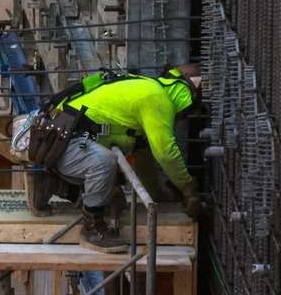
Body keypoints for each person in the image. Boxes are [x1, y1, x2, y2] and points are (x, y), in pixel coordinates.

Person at [26, 64, 203, 253]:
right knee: (105, 162)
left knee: (116, 205)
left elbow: (144, 156)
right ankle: (91, 229)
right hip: (63, 144)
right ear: (187, 96)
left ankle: (50, 184)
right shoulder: (156, 98)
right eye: (187, 111)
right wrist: (188, 187)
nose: (182, 116)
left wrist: (156, 193)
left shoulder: (147, 89)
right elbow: (165, 153)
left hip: (63, 143)